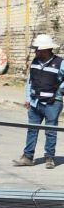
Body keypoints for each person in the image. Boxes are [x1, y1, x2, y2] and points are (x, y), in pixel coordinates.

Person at [13, 34, 64, 169]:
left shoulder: (60, 63)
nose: (36, 51)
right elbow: (30, 81)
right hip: (35, 102)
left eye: (38, 49)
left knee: (50, 131)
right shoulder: (35, 62)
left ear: (46, 50)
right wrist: (28, 98)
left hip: (53, 103)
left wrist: (60, 90)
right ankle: (28, 157)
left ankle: (49, 158)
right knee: (32, 129)